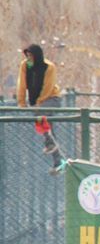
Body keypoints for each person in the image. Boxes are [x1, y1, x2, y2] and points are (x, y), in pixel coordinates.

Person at [15, 44, 64, 172]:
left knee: (41, 115)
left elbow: (48, 87)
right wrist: (21, 102)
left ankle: (51, 145)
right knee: (46, 127)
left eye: (32, 56)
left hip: (51, 98)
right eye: (28, 56)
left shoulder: (49, 67)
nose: (29, 59)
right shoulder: (25, 66)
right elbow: (22, 83)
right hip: (37, 102)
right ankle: (58, 161)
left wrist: (38, 103)